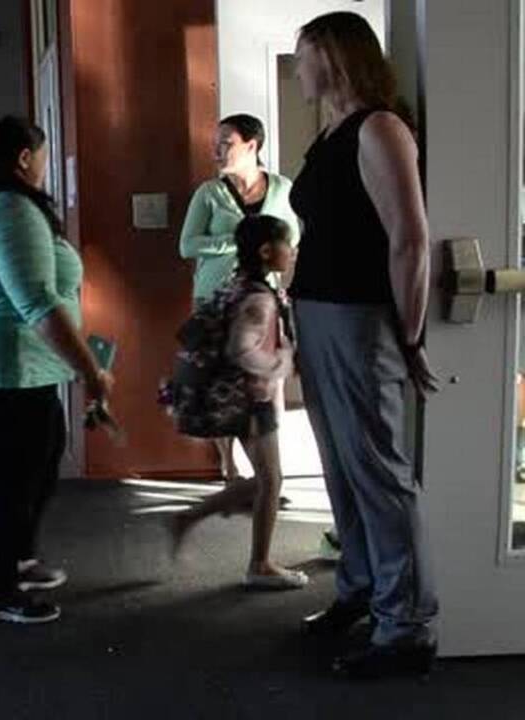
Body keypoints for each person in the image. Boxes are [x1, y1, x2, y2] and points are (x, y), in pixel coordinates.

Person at [289, 11, 438, 679]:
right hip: (319, 315)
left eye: (305, 54)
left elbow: (410, 241)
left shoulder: (380, 127)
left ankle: (405, 625)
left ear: (336, 55)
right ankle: (359, 591)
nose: (299, 68)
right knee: (341, 468)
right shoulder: (329, 132)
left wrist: (409, 338)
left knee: (379, 474)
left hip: (358, 319)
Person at [0, 116, 114, 625]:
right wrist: (91, 371)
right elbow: (38, 304)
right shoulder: (10, 210)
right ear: (23, 158)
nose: (45, 165)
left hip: (17, 367)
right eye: (42, 156)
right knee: (13, 481)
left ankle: (20, 558)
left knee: (43, 458)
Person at [168, 215, 307, 590]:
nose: (292, 252)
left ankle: (191, 518)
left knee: (266, 480)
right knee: (270, 479)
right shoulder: (260, 298)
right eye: (286, 244)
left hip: (239, 399)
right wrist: (284, 362)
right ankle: (259, 564)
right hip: (250, 400)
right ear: (266, 250)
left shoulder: (238, 284)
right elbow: (240, 349)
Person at [180, 114, 300, 491]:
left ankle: (271, 468)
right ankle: (229, 467)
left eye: (226, 142)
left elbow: (291, 240)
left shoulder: (282, 190)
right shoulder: (209, 194)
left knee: (266, 380)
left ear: (252, 145)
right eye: (215, 142)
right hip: (216, 298)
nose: (217, 150)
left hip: (263, 300)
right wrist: (239, 241)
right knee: (221, 382)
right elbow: (187, 245)